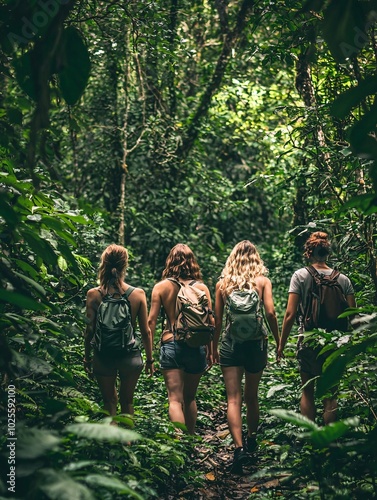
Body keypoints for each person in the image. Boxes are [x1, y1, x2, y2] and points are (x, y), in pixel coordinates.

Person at [214, 240, 279, 473]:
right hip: (256, 345)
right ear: (256, 259)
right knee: (252, 396)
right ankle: (251, 440)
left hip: (231, 345)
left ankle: (238, 449)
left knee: (233, 399)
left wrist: (214, 347)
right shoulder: (262, 282)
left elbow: (218, 321)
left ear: (232, 259)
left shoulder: (222, 284)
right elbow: (270, 313)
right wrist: (278, 340)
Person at [278, 231, 356, 424]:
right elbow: (353, 314)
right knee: (331, 394)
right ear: (328, 253)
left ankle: (311, 441)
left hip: (309, 340)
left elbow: (289, 314)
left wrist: (281, 344)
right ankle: (328, 443)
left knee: (308, 391)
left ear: (308, 253)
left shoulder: (300, 276)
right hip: (336, 343)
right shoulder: (343, 279)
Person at [148, 243, 213, 435]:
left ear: (170, 261)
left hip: (171, 343)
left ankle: (180, 442)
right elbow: (210, 322)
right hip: (195, 346)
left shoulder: (161, 287)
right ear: (192, 262)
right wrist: (210, 351)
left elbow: (151, 321)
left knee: (175, 399)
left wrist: (149, 353)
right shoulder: (202, 288)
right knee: (190, 398)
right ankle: (191, 438)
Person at [84, 244, 154, 420]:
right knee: (127, 402)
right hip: (130, 356)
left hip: (103, 355)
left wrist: (87, 357)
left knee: (109, 402)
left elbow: (89, 330)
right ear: (125, 265)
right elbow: (146, 331)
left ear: (104, 264)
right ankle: (127, 443)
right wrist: (150, 359)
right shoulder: (137, 294)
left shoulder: (93, 294)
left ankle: (111, 443)